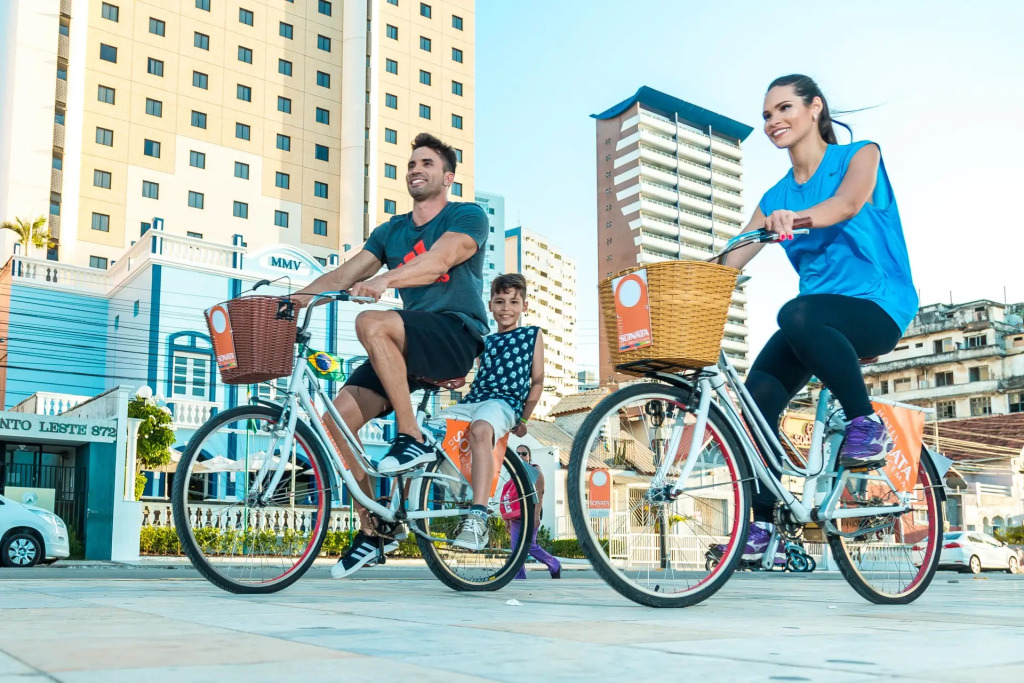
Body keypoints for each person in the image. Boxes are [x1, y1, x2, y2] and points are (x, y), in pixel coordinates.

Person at [292, 132, 490, 578]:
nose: (416, 169)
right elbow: (343, 275)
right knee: (335, 421)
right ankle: (375, 527)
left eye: (427, 163)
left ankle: (410, 434)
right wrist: (291, 301)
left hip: (455, 333)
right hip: (406, 343)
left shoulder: (467, 215)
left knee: (371, 322)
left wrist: (385, 280)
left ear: (448, 177)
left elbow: (439, 261)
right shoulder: (390, 231)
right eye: (411, 164)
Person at [723, 74, 917, 524]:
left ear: (815, 108)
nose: (773, 121)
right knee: (754, 404)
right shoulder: (775, 197)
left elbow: (846, 204)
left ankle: (865, 422)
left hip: (877, 305)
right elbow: (734, 255)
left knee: (794, 313)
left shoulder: (860, 154)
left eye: (784, 108)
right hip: (814, 320)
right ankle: (763, 526)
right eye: (766, 115)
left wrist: (796, 220)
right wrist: (680, 278)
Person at [433, 273, 546, 550]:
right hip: (475, 400)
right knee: (429, 430)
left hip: (504, 403)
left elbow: (538, 380)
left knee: (481, 429)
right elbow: (474, 376)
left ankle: (479, 514)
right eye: (500, 301)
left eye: (513, 302)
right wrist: (449, 379)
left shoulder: (531, 334)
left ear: (524, 306)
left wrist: (524, 418)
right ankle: (454, 494)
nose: (506, 308)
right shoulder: (485, 341)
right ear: (491, 305)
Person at [502, 444, 561, 579]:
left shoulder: (534, 470)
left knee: (529, 545)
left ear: (529, 456)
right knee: (515, 547)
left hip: (531, 512)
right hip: (517, 513)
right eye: (518, 454)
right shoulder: (515, 474)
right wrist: (507, 518)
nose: (521, 456)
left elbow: (540, 492)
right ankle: (519, 575)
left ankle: (554, 564)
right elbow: (509, 497)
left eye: (524, 453)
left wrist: (536, 514)